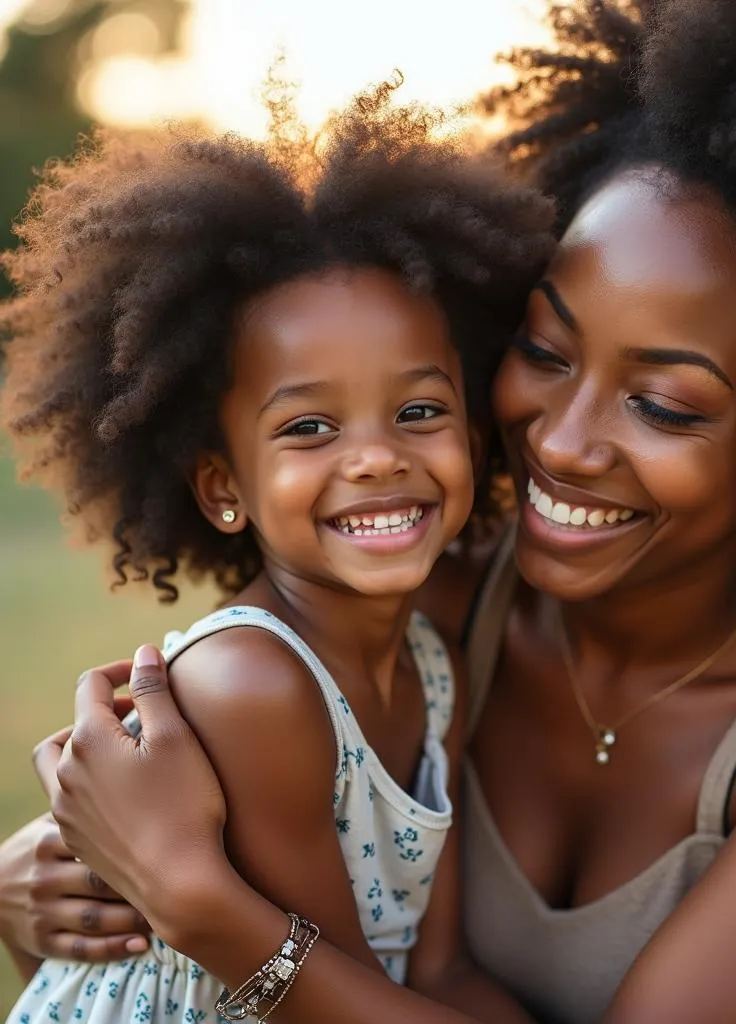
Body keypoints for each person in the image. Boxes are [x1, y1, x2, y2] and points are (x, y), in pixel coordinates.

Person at [4, 0, 736, 1020]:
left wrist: (201, 905)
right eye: (543, 350)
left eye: (661, 404)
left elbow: (222, 916)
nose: (561, 439)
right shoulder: (422, 610)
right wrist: (35, 888)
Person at [0, 80, 551, 1024]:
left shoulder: (434, 667)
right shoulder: (251, 688)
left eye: (420, 410)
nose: (377, 456)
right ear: (223, 488)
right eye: (308, 426)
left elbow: (439, 970)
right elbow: (326, 1005)